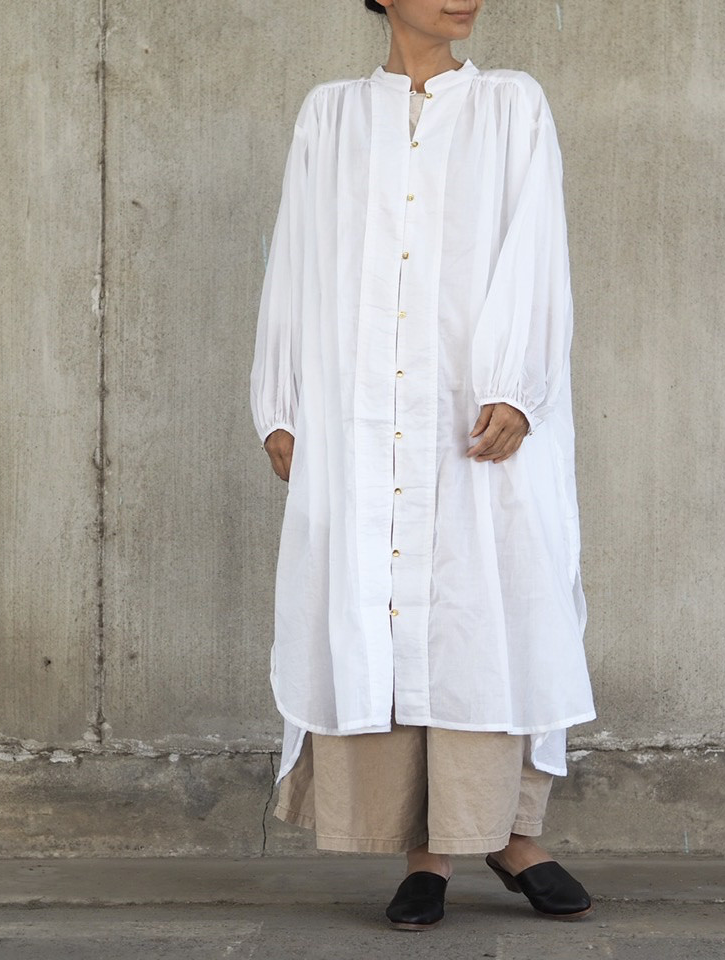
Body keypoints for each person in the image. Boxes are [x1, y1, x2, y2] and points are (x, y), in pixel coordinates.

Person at [249, 0, 596, 931]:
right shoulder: (330, 115)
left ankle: (512, 837)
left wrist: (518, 386)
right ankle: (425, 858)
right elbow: (296, 257)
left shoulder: (512, 106)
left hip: (473, 415)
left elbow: (537, 248)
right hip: (361, 418)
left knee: (486, 614)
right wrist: (281, 402)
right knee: (381, 609)